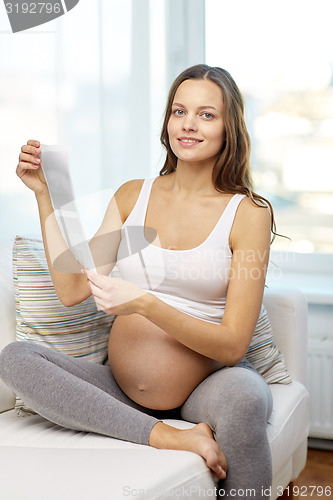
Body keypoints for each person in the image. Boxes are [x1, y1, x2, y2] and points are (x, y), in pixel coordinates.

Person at [0, 64, 274, 499]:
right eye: (179, 111)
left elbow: (233, 345)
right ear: (167, 121)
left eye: (206, 114)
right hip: (120, 389)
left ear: (230, 127)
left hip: (204, 388)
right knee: (15, 357)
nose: (188, 123)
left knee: (248, 397)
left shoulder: (248, 214)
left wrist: (145, 304)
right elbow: (73, 290)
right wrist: (43, 194)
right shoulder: (133, 196)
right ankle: (168, 435)